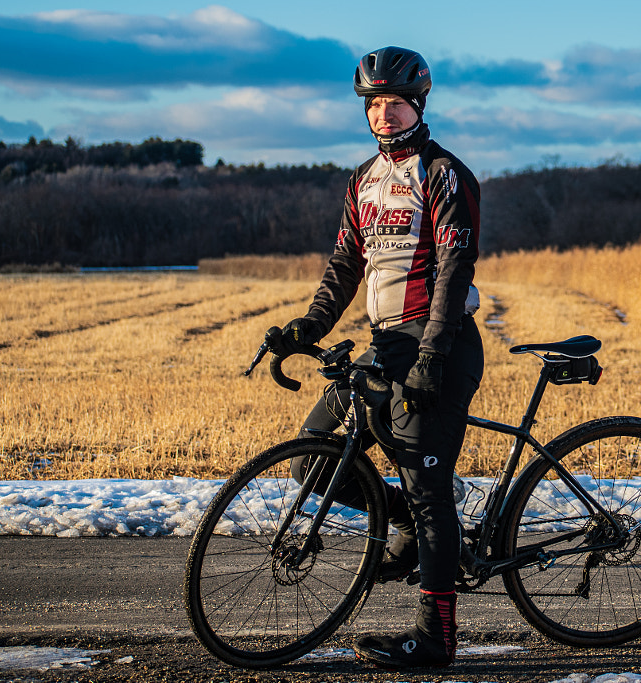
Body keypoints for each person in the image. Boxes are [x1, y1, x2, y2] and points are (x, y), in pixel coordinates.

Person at [270, 46, 484, 668]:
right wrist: (307, 327)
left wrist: (432, 358)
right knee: (312, 453)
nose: (383, 115)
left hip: (439, 343)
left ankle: (436, 637)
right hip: (386, 344)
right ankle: (414, 530)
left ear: (417, 104)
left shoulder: (444, 173)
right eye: (373, 104)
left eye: (394, 102)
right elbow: (346, 264)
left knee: (426, 486)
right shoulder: (363, 180)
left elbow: (453, 270)